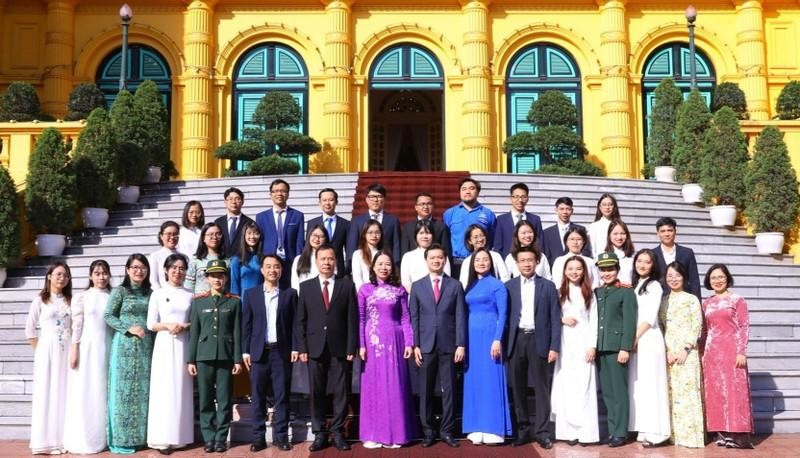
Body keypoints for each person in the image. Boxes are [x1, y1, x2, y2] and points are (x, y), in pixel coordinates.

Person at [295, 244, 358, 452]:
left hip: (340, 346)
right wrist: (302, 347)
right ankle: (320, 433)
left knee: (341, 391)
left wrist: (352, 346)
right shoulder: (306, 287)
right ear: (316, 261)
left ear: (336, 261)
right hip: (314, 347)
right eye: (323, 259)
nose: (327, 262)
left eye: (331, 258)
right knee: (317, 392)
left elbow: (352, 318)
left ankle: (338, 432)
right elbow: (300, 321)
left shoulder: (346, 285)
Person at [357, 250, 417, 448]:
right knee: (373, 386)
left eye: (388, 264)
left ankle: (396, 434)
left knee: (394, 385)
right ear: (373, 267)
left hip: (395, 340)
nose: (384, 267)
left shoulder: (399, 290)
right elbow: (361, 318)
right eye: (380, 264)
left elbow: (405, 317)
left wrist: (409, 342)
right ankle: (372, 434)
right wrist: (361, 344)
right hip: (372, 342)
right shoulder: (365, 290)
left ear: (392, 267)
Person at [409, 243, 465, 448]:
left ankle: (447, 430)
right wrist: (415, 344)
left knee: (449, 389)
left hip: (449, 344)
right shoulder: (417, 286)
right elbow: (413, 317)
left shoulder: (455, 285)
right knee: (425, 390)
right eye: (432, 257)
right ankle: (428, 430)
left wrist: (461, 344)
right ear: (426, 260)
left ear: (445, 260)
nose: (436, 260)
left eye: (440, 257)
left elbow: (460, 316)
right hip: (425, 345)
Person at [505, 246, 561, 448]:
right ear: (516, 263)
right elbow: (504, 318)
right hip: (516, 340)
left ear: (537, 261)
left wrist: (554, 346)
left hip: (540, 340)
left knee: (541, 388)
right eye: (522, 260)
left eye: (530, 259)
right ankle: (522, 430)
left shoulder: (548, 286)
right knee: (518, 387)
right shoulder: (509, 286)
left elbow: (556, 318)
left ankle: (543, 431)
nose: (527, 263)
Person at [187, 260, 243, 453]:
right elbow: (194, 332)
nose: (217, 279)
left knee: (225, 399)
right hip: (204, 356)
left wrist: (237, 359)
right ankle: (208, 437)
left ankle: (221, 438)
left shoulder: (234, 301)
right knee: (205, 399)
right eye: (213, 275)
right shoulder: (198, 301)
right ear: (207, 278)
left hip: (226, 356)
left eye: (220, 275)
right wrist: (191, 359)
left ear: (225, 278)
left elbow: (237, 332)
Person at [242, 255, 296, 452]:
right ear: (262, 270)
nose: (273, 270)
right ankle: (258, 437)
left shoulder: (290, 294)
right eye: (268, 267)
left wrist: (295, 347)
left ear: (281, 270)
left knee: (282, 396)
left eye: (276, 267)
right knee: (257, 396)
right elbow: (246, 324)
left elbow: (294, 325)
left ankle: (281, 437)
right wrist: (245, 351)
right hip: (258, 353)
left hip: (280, 352)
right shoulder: (251, 294)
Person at [104, 254, 154, 454]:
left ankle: (140, 438)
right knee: (122, 392)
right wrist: (128, 328)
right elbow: (108, 315)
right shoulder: (120, 291)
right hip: (123, 346)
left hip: (146, 347)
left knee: (142, 392)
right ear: (127, 270)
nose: (138, 271)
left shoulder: (151, 293)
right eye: (134, 267)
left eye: (142, 267)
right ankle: (122, 440)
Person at [462, 248, 512, 444]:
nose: (481, 263)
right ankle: (475, 426)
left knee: (491, 378)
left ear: (491, 262)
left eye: (485, 260)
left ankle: (493, 428)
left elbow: (503, 315)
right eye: (477, 260)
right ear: (472, 264)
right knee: (473, 379)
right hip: (471, 338)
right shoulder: (470, 285)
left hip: (490, 337)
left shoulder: (498, 285)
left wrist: (497, 339)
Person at [702, 264, 754, 449]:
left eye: (720, 277)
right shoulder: (706, 303)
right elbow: (705, 330)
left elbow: (744, 326)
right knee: (716, 394)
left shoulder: (737, 299)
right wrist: (703, 353)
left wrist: (742, 351)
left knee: (734, 393)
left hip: (732, 351)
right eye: (713, 278)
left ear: (727, 278)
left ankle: (738, 436)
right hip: (712, 354)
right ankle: (721, 433)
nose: (717, 280)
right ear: (709, 281)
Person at [146, 254, 194, 454]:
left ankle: (180, 436)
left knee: (181, 388)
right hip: (164, 344)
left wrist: (184, 326)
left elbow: (195, 322)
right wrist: (167, 325)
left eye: (182, 268)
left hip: (184, 343)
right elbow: (150, 324)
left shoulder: (190, 294)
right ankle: (161, 438)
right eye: (173, 267)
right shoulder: (157, 293)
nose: (178, 271)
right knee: (163, 389)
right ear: (165, 270)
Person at [63, 260, 111, 454]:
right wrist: (75, 349)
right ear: (91, 276)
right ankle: (83, 436)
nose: (101, 277)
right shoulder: (82, 297)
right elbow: (77, 325)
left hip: (107, 346)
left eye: (105, 273)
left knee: (103, 391)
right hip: (87, 347)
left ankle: (103, 437)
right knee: (86, 390)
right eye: (97, 273)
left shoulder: (113, 296)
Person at [550, 256, 599, 445]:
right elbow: (552, 315)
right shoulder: (558, 292)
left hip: (583, 342)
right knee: (566, 385)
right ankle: (568, 432)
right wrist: (562, 320)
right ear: (564, 271)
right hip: (565, 342)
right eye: (570, 268)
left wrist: (592, 345)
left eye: (578, 269)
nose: (574, 272)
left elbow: (594, 320)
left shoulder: (590, 293)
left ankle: (587, 433)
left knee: (584, 385)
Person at [26, 262, 72, 455]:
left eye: (66, 275)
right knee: (46, 393)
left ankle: (61, 440)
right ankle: (43, 442)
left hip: (67, 350)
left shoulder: (71, 300)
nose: (62, 278)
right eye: (58, 274)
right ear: (49, 276)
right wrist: (41, 351)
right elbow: (30, 330)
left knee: (63, 394)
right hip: (46, 350)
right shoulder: (40, 300)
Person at [628, 249, 671, 447]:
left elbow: (649, 317)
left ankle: (658, 432)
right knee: (639, 385)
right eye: (640, 261)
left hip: (648, 338)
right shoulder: (635, 285)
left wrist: (634, 338)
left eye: (647, 262)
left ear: (653, 266)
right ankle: (642, 428)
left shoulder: (654, 286)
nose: (642, 265)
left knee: (653, 385)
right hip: (636, 339)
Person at [659, 261, 705, 448]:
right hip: (669, 354)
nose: (673, 279)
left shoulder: (692, 299)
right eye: (670, 276)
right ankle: (675, 436)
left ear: (684, 277)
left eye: (677, 276)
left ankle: (692, 437)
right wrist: (667, 351)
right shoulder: (663, 301)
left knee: (689, 393)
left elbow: (697, 326)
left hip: (688, 353)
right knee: (672, 394)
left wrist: (686, 349)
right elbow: (661, 327)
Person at [594, 251, 636, 448]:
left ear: (617, 269)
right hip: (601, 348)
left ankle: (621, 432)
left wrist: (625, 348)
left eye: (610, 269)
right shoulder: (598, 292)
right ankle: (612, 431)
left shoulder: (626, 292)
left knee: (619, 392)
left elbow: (629, 321)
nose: (607, 273)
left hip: (616, 348)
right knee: (608, 393)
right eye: (603, 269)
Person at [443, 177, 497, 278]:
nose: (467, 191)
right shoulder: (450, 213)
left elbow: (492, 238)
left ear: (478, 192)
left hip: (480, 262)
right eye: (464, 189)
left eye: (472, 188)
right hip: (457, 262)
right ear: (459, 192)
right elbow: (445, 238)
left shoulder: (487, 213)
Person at [257, 179, 305, 288]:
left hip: (290, 261)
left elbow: (299, 240)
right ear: (270, 194)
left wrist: (298, 261)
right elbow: (260, 240)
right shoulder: (261, 217)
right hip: (270, 262)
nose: (279, 194)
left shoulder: (297, 215)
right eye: (276, 191)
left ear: (288, 193)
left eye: (283, 191)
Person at [347, 183, 401, 262]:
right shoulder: (357, 221)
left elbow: (396, 245)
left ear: (384, 199)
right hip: (364, 263)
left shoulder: (392, 220)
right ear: (366, 199)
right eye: (372, 197)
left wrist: (396, 265)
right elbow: (352, 246)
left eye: (379, 196)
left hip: (385, 265)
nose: (376, 200)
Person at [652, 217, 701, 301]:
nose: (666, 234)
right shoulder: (652, 254)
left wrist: (697, 304)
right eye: (663, 231)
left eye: (670, 230)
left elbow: (694, 281)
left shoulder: (687, 253)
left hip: (684, 300)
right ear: (658, 233)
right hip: (660, 300)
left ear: (675, 232)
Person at [306, 188, 350, 276]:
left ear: (336, 202)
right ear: (320, 203)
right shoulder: (312, 223)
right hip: (317, 268)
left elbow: (348, 249)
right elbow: (308, 247)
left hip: (338, 269)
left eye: (331, 200)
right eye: (324, 200)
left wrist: (347, 270)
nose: (327, 203)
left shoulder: (346, 224)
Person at [493, 182, 544, 258]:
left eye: (523, 197)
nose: (520, 200)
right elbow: (498, 247)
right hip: (507, 264)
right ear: (511, 198)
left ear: (527, 198)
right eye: (516, 196)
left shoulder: (535, 220)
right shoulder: (501, 220)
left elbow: (540, 244)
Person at [400, 219, 452, 291]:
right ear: (416, 236)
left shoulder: (441, 255)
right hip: (415, 298)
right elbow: (406, 282)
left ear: (433, 236)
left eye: (428, 233)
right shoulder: (408, 257)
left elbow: (447, 278)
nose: (425, 236)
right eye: (421, 233)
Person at [541, 197, 590, 265]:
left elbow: (586, 251)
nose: (565, 212)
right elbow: (546, 256)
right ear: (556, 210)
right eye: (562, 209)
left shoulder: (581, 229)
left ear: (572, 211)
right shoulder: (547, 233)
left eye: (568, 209)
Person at [401, 192, 452, 257]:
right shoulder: (408, 227)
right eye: (422, 204)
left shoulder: (441, 226)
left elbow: (445, 251)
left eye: (429, 204)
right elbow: (404, 251)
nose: (425, 207)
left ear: (433, 206)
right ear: (416, 207)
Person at [458, 224, 509, 289]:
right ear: (469, 241)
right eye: (475, 237)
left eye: (482, 235)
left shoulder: (496, 256)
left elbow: (505, 278)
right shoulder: (467, 261)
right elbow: (463, 284)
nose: (480, 239)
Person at [185, 222, 227, 294]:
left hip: (222, 302)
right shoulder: (196, 259)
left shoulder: (228, 260)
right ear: (203, 238)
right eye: (210, 234)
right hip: (201, 301)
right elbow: (189, 285)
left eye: (218, 234)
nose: (214, 237)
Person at [214, 187, 254, 256]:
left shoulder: (249, 222)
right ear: (225, 202)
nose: (233, 202)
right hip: (222, 260)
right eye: (230, 199)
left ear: (242, 201)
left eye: (237, 199)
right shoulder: (218, 222)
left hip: (242, 261)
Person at [291, 224, 330, 290]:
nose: (317, 239)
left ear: (326, 239)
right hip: (303, 298)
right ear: (309, 236)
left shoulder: (329, 259)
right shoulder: (298, 259)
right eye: (314, 235)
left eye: (321, 236)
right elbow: (295, 284)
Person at [229, 221, 264, 296]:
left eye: (256, 233)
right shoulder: (237, 259)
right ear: (244, 235)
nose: (252, 236)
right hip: (244, 299)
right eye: (249, 233)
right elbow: (234, 284)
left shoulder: (262, 258)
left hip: (260, 298)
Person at [351, 219, 383, 290]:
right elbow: (357, 279)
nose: (374, 235)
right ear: (364, 234)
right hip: (364, 294)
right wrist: (365, 294)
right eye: (370, 232)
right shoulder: (358, 254)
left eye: (377, 232)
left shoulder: (383, 254)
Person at [148, 220, 181, 290]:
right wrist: (162, 296)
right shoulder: (154, 256)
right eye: (168, 234)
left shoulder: (184, 257)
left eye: (175, 234)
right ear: (161, 236)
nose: (172, 237)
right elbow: (154, 281)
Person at [588, 193, 620, 259]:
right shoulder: (594, 226)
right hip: (600, 261)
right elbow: (592, 250)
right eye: (604, 205)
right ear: (600, 207)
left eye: (610, 204)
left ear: (614, 207)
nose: (607, 207)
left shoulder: (620, 225)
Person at [604, 218, 634, 287]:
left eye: (622, 233)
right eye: (615, 234)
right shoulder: (602, 255)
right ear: (609, 235)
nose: (619, 237)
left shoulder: (633, 255)